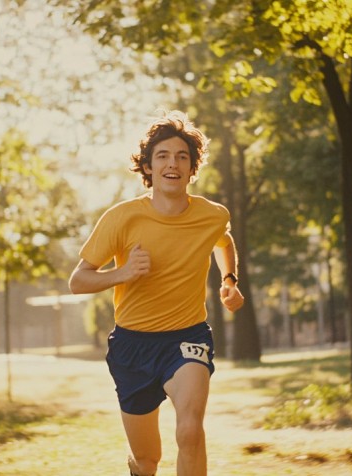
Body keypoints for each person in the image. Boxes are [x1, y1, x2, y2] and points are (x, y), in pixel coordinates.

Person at [68, 110, 245, 476]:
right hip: (133, 346)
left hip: (188, 337)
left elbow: (222, 241)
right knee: (147, 460)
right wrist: (124, 273)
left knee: (191, 431)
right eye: (162, 155)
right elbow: (78, 281)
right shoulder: (122, 218)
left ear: (193, 168)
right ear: (148, 166)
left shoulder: (211, 214)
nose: (172, 163)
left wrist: (229, 279)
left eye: (182, 156)